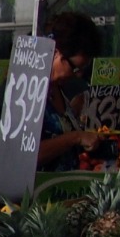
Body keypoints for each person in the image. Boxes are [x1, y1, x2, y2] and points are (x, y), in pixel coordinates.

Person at [37, 12, 103, 170]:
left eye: (82, 69)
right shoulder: (26, 91)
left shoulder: (61, 89)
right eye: (74, 68)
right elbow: (25, 154)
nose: (77, 75)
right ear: (56, 53)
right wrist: (76, 137)